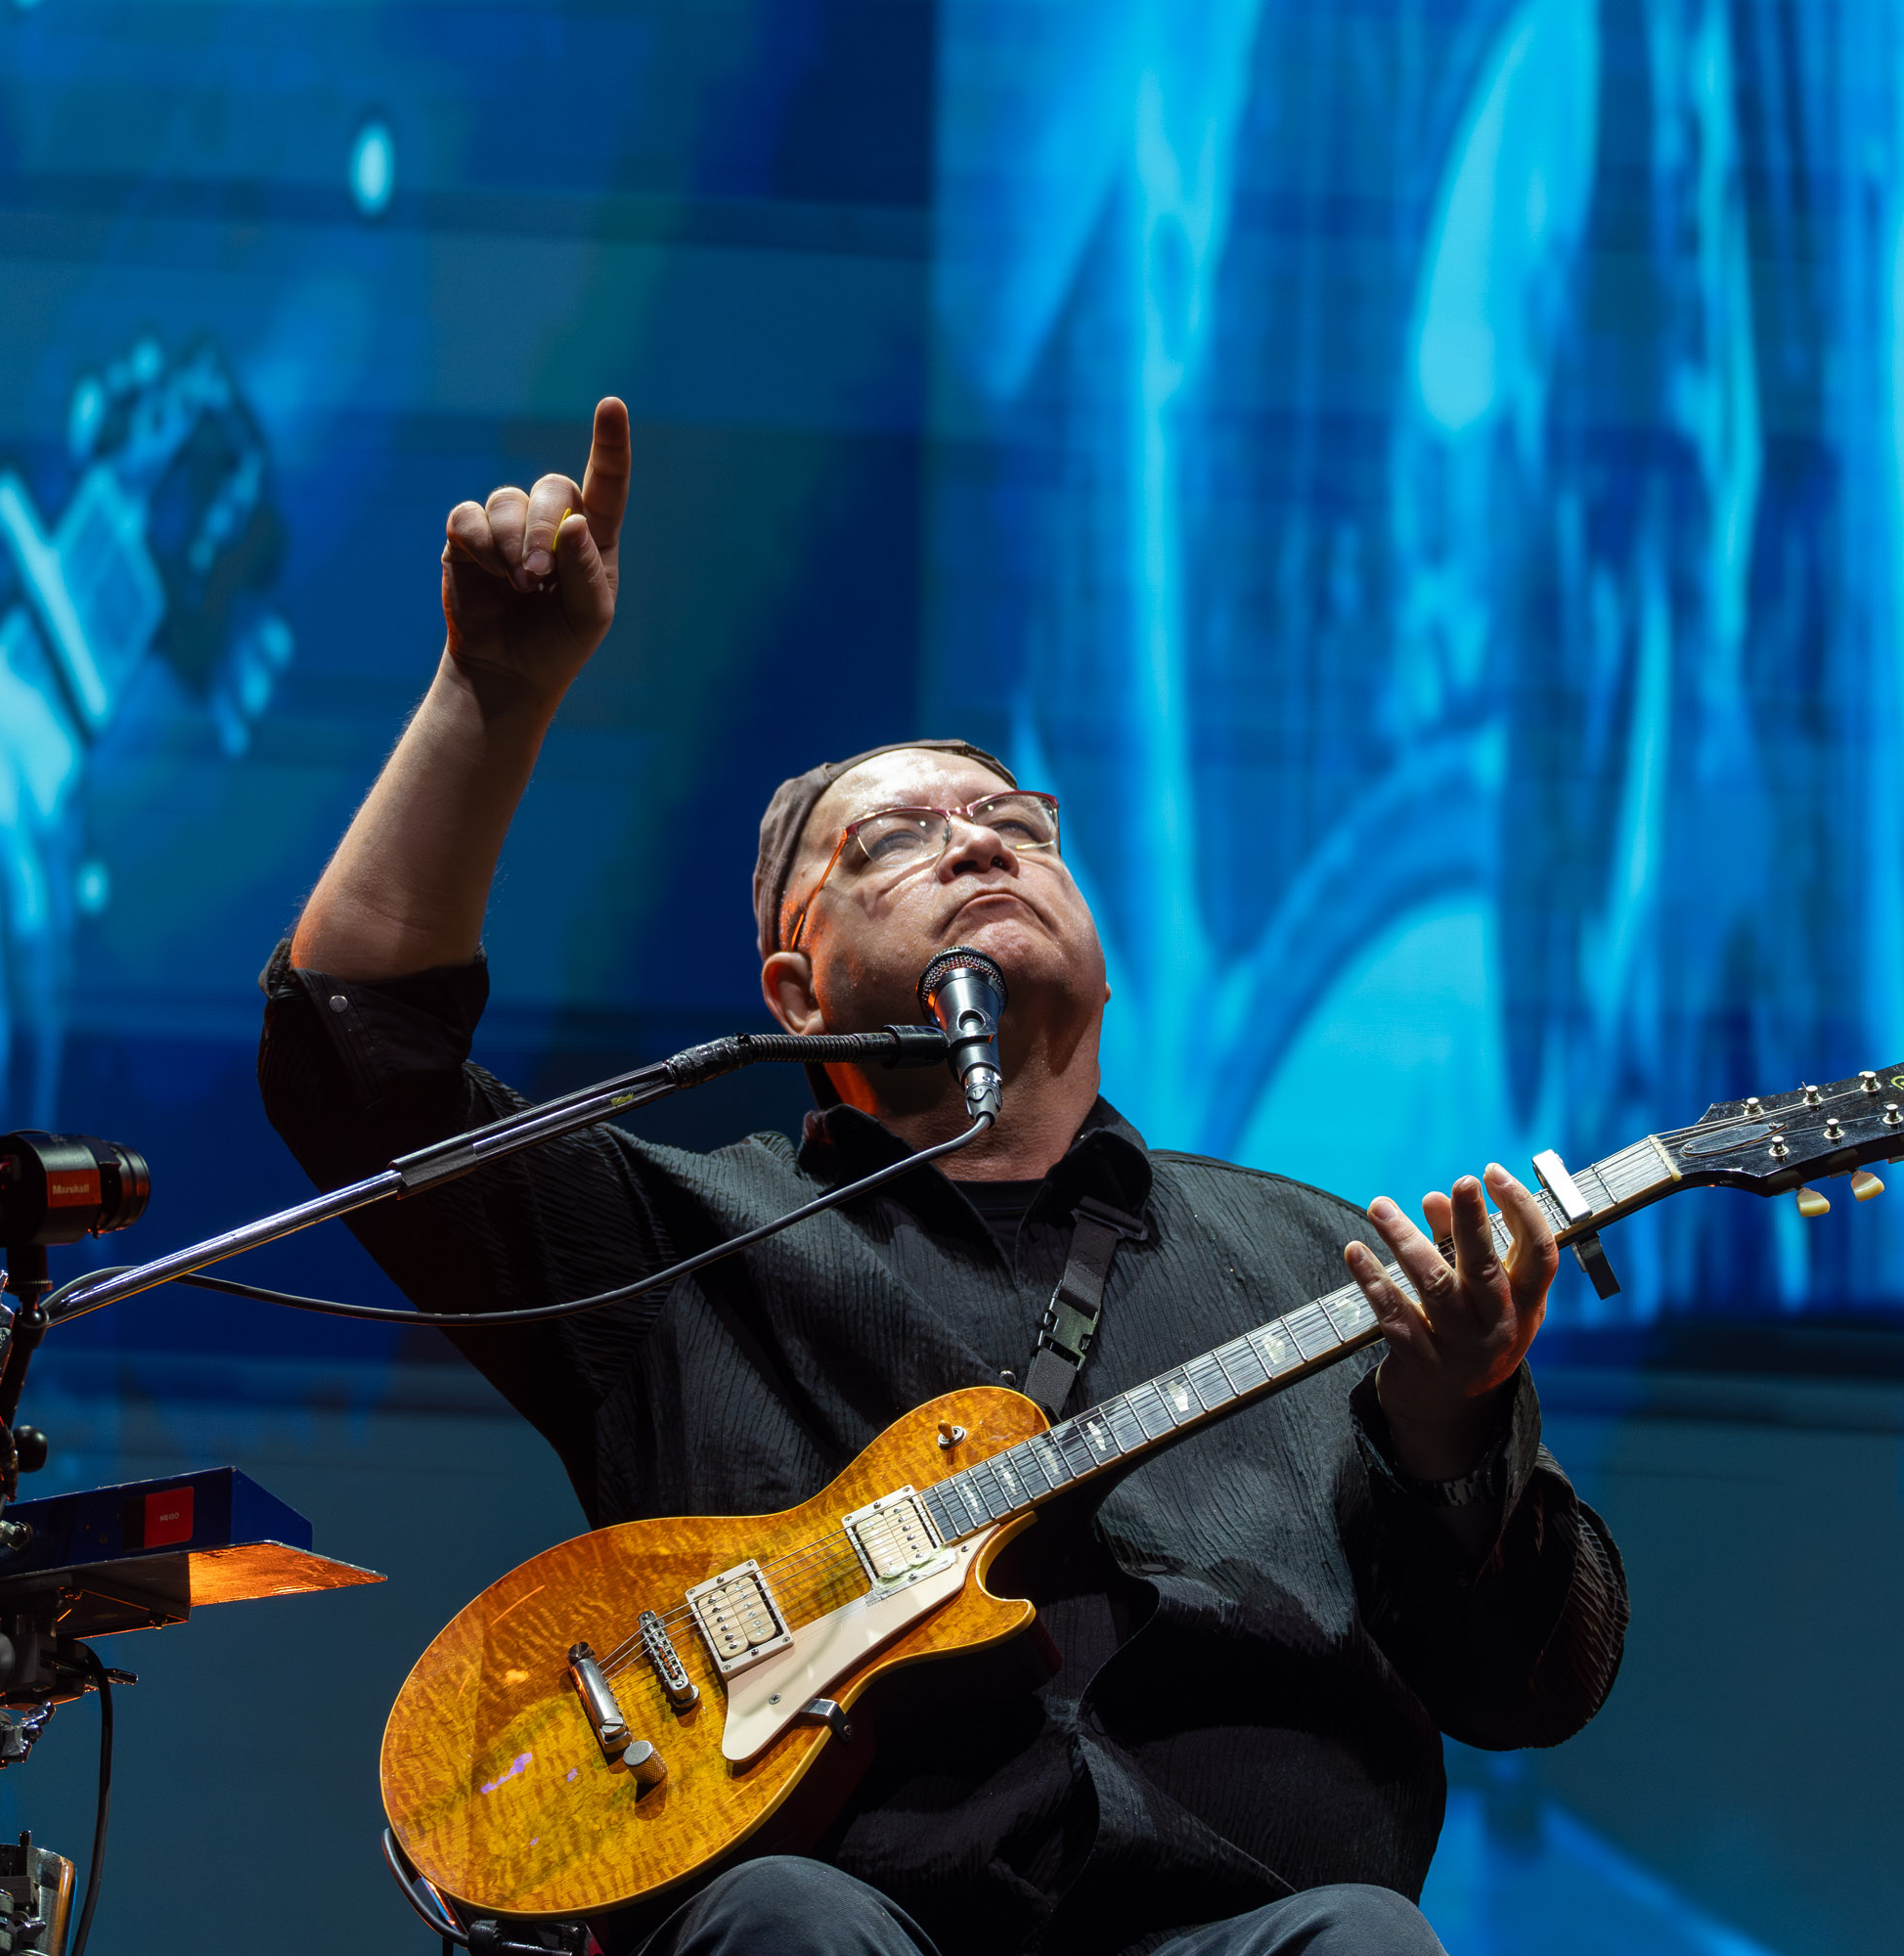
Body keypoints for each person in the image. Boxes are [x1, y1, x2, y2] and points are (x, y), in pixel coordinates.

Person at [259, 399, 1628, 1956]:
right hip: (836, 1923)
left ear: (1100, 958)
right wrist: (489, 697)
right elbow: (357, 1063)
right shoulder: (681, 1246)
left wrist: (1453, 1428)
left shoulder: (1329, 1265)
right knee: (790, 1923)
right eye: (894, 840)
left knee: (1367, 1945)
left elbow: (1537, 1688)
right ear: (795, 990)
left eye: (1014, 823)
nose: (979, 846)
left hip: (1243, 1931)